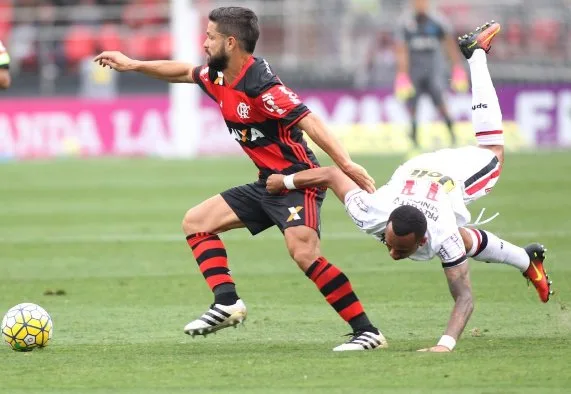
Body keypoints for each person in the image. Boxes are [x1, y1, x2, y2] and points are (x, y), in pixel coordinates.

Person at [94, 6, 386, 351]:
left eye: (210, 37)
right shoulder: (219, 76)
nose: (204, 42)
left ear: (230, 42)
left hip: (297, 181)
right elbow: (185, 72)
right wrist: (133, 64)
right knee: (197, 222)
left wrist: (347, 164)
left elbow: (310, 121)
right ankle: (227, 302)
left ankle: (367, 332)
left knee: (304, 253)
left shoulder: (262, 86)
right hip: (267, 182)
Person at [266, 22, 553, 352]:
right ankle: (526, 260)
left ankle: (476, 56)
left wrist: (444, 346)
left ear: (423, 239)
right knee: (461, 235)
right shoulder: (370, 212)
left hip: (451, 176)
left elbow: (465, 298)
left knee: (493, 153)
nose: (391, 253)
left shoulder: (442, 235)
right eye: (390, 244)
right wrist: (286, 181)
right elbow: (331, 175)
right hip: (416, 171)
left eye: (401, 250)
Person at [394, 0, 467, 150]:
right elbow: (402, 50)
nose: (420, 5)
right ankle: (414, 139)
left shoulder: (438, 22)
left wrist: (457, 67)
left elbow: (449, 44)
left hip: (434, 71)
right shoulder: (406, 24)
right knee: (413, 106)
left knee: (441, 103)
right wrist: (402, 75)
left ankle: (452, 135)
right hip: (415, 72)